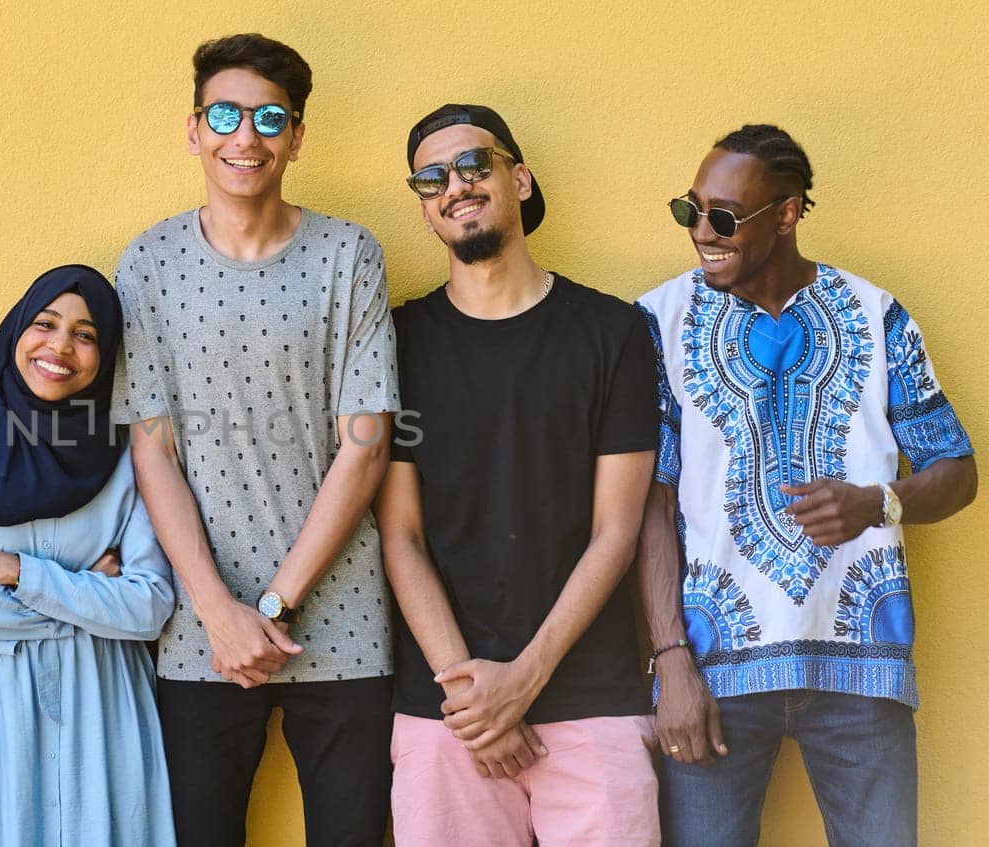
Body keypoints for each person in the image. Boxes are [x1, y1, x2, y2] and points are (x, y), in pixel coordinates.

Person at [638, 124, 977, 846]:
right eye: (690, 210)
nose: (702, 231)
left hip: (861, 670)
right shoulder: (657, 323)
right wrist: (669, 660)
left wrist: (879, 502)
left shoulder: (877, 315)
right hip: (714, 675)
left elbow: (957, 469)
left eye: (723, 216)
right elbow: (650, 504)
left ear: (787, 213)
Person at [110, 33, 400, 846]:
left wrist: (271, 605)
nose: (248, 137)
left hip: (340, 621)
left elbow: (366, 444)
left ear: (297, 135)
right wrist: (218, 613)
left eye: (270, 117)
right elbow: (153, 450)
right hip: (201, 633)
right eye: (227, 115)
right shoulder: (150, 263)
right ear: (195, 128)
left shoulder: (349, 254)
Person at [378, 104, 660, 846]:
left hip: (591, 694)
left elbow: (616, 530)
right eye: (432, 176)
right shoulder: (397, 342)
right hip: (446, 707)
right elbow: (399, 534)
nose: (455, 185)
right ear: (424, 205)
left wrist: (523, 681)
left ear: (519, 176)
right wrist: (472, 697)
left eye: (475, 165)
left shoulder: (613, 332)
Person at [0, 264, 176, 846]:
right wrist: (87, 600)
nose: (60, 347)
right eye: (45, 324)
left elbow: (150, 606)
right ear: (17, 330)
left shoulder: (128, 447)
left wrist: (13, 571)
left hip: (102, 696)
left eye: (86, 334)